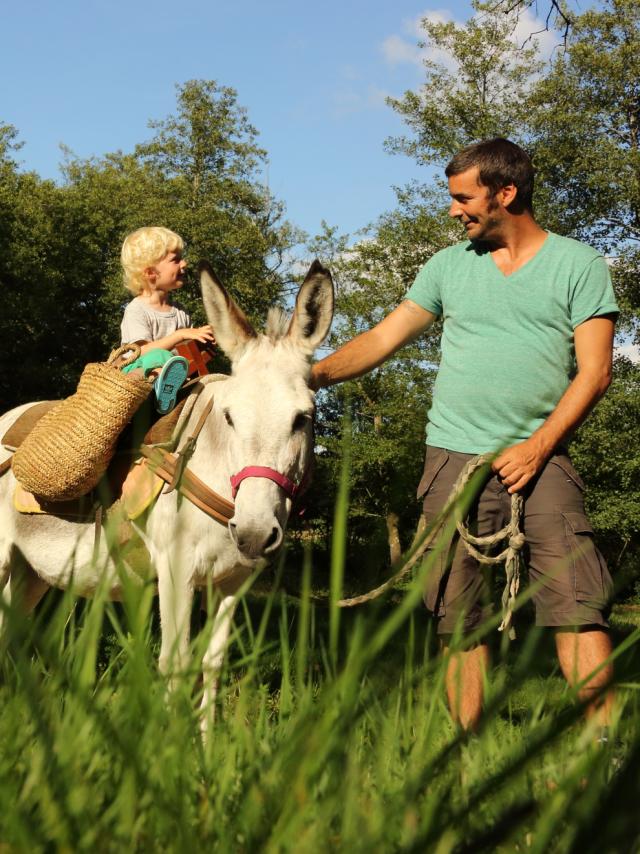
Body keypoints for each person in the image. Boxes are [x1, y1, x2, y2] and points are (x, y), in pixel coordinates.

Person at [310, 138, 618, 733]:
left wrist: (538, 446)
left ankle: (602, 755)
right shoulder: (449, 267)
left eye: (462, 198)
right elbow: (381, 339)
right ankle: (467, 754)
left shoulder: (577, 264)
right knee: (457, 615)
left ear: (506, 194)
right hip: (451, 459)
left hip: (541, 455)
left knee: (577, 605)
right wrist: (307, 375)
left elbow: (596, 371)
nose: (453, 211)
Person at [120, 226, 215, 414]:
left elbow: (187, 349)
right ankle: (159, 391)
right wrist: (180, 335)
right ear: (150, 273)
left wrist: (205, 340)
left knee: (176, 361)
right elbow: (140, 352)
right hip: (136, 373)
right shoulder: (136, 309)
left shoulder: (180, 311)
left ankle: (170, 390)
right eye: (175, 260)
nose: (184, 264)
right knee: (160, 357)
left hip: (179, 370)